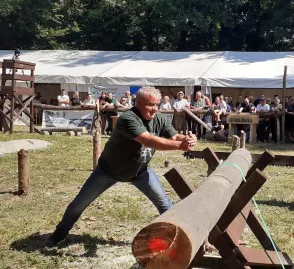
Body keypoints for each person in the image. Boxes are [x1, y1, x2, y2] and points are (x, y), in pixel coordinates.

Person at [45, 86, 197, 247]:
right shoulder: (128, 118)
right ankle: (59, 234)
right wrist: (180, 146)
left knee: (164, 204)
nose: (154, 109)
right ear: (138, 103)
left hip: (139, 171)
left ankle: (179, 238)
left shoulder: (159, 118)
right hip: (109, 170)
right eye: (150, 105)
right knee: (79, 204)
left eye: (157, 104)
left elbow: (175, 135)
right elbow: (148, 140)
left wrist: (188, 139)